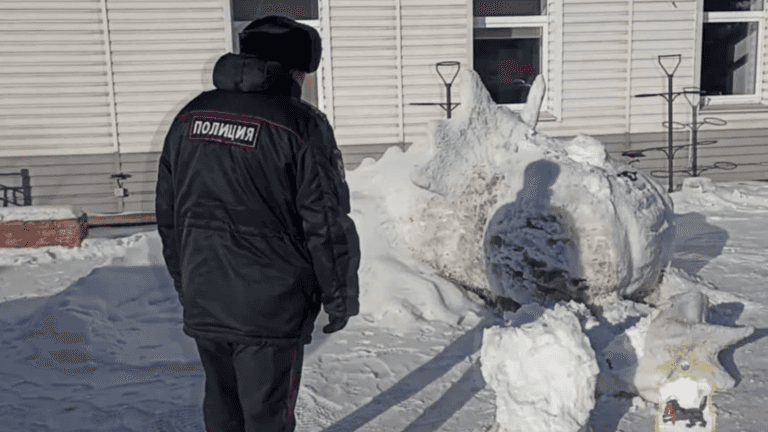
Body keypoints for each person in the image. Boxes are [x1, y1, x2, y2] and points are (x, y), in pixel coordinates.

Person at [154, 15, 361, 432]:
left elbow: (170, 215)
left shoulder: (190, 116)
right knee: (268, 414)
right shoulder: (301, 125)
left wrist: (185, 282)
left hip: (206, 291)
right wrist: (339, 297)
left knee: (222, 403)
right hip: (270, 305)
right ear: (293, 69)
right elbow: (325, 222)